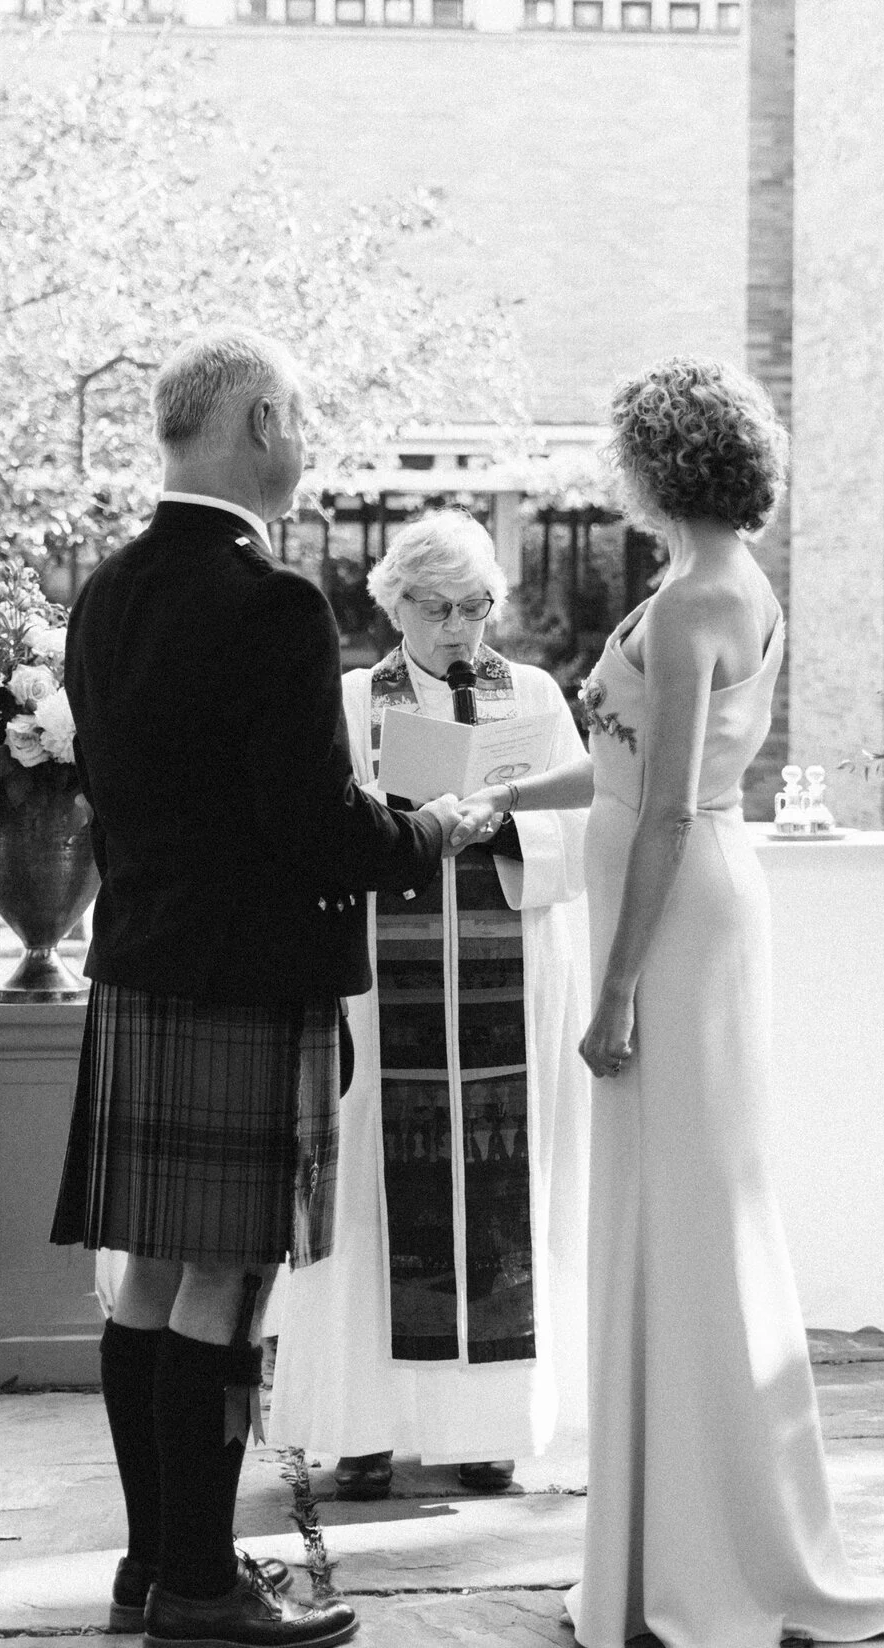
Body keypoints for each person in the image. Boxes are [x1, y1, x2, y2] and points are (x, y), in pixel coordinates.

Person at [454, 359, 884, 1648]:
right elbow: (614, 765)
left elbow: (666, 808)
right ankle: (681, 1529)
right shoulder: (719, 589)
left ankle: (700, 1549)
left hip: (673, 929)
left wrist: (615, 991)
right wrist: (498, 800)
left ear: (660, 467)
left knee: (690, 1218)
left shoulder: (689, 608)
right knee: (682, 1217)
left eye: (625, 454)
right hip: (686, 902)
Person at [51, 327, 478, 1648]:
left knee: (148, 1282)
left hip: (144, 964)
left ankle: (152, 1560)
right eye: (297, 419)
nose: (307, 442)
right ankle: (201, 1592)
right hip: (248, 982)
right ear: (252, 422)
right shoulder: (274, 602)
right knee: (226, 1293)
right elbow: (310, 824)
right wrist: (428, 834)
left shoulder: (103, 592)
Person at [268, 510, 593, 1500]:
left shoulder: (530, 694)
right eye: (438, 608)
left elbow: (582, 833)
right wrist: (408, 827)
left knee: (495, 1188)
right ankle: (358, 1428)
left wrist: (503, 828)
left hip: (502, 973)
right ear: (392, 603)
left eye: (476, 607)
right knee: (368, 1184)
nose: (460, 629)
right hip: (380, 985)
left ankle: (479, 1426)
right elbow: (317, 833)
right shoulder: (349, 701)